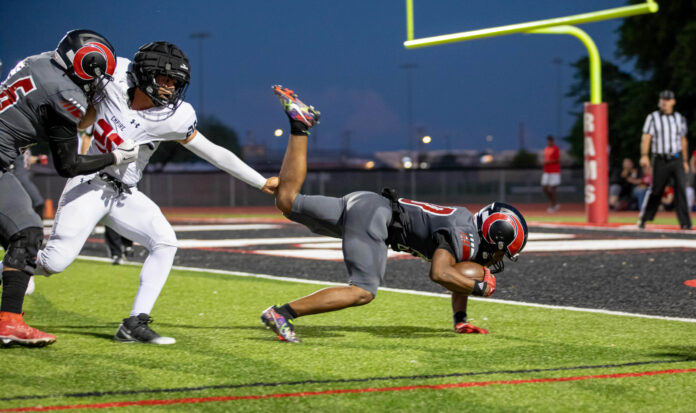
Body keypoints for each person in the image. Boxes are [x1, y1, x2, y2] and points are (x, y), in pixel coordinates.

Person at [34, 41, 278, 345]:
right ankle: (15, 268)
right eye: (165, 79)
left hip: (125, 193)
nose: (171, 88)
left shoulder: (174, 117)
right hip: (90, 183)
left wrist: (260, 182)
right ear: (145, 74)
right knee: (52, 263)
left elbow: (213, 152)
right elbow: (65, 65)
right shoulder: (113, 75)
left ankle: (134, 323)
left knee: (165, 241)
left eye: (176, 82)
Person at [260, 86, 528, 343]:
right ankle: (282, 314)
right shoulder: (463, 236)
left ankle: (299, 125)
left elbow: (456, 274)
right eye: (501, 252)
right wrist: (480, 288)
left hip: (368, 204)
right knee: (362, 291)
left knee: (287, 200)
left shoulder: (464, 227)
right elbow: (440, 273)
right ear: (493, 238)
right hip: (377, 219)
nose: (497, 259)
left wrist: (460, 319)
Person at [0, 30, 139, 347]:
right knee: (26, 232)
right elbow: (68, 165)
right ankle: (9, 322)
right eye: (96, 71)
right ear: (86, 63)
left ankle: (9, 321)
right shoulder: (63, 93)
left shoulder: (35, 62)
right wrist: (115, 156)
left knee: (26, 230)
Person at [80, 125, 134, 264]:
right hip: (106, 169)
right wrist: (85, 163)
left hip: (128, 172)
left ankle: (127, 243)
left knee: (129, 210)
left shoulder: (135, 116)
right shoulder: (103, 114)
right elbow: (86, 135)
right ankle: (116, 252)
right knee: (110, 210)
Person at [637, 90, 691, 229]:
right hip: (660, 158)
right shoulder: (653, 117)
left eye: (668, 99)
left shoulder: (679, 118)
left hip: (676, 158)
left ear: (673, 101)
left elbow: (683, 139)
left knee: (681, 189)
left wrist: (685, 160)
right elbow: (647, 137)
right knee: (656, 189)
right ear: (659, 101)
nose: (665, 102)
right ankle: (644, 217)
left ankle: (685, 222)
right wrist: (644, 155)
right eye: (663, 99)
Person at [541, 135, 561, 213]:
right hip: (547, 171)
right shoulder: (546, 149)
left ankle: (553, 205)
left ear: (553, 141)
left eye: (550, 141)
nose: (549, 142)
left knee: (553, 189)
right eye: (548, 141)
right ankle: (554, 203)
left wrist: (548, 162)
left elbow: (558, 159)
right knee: (544, 188)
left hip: (555, 171)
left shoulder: (556, 148)